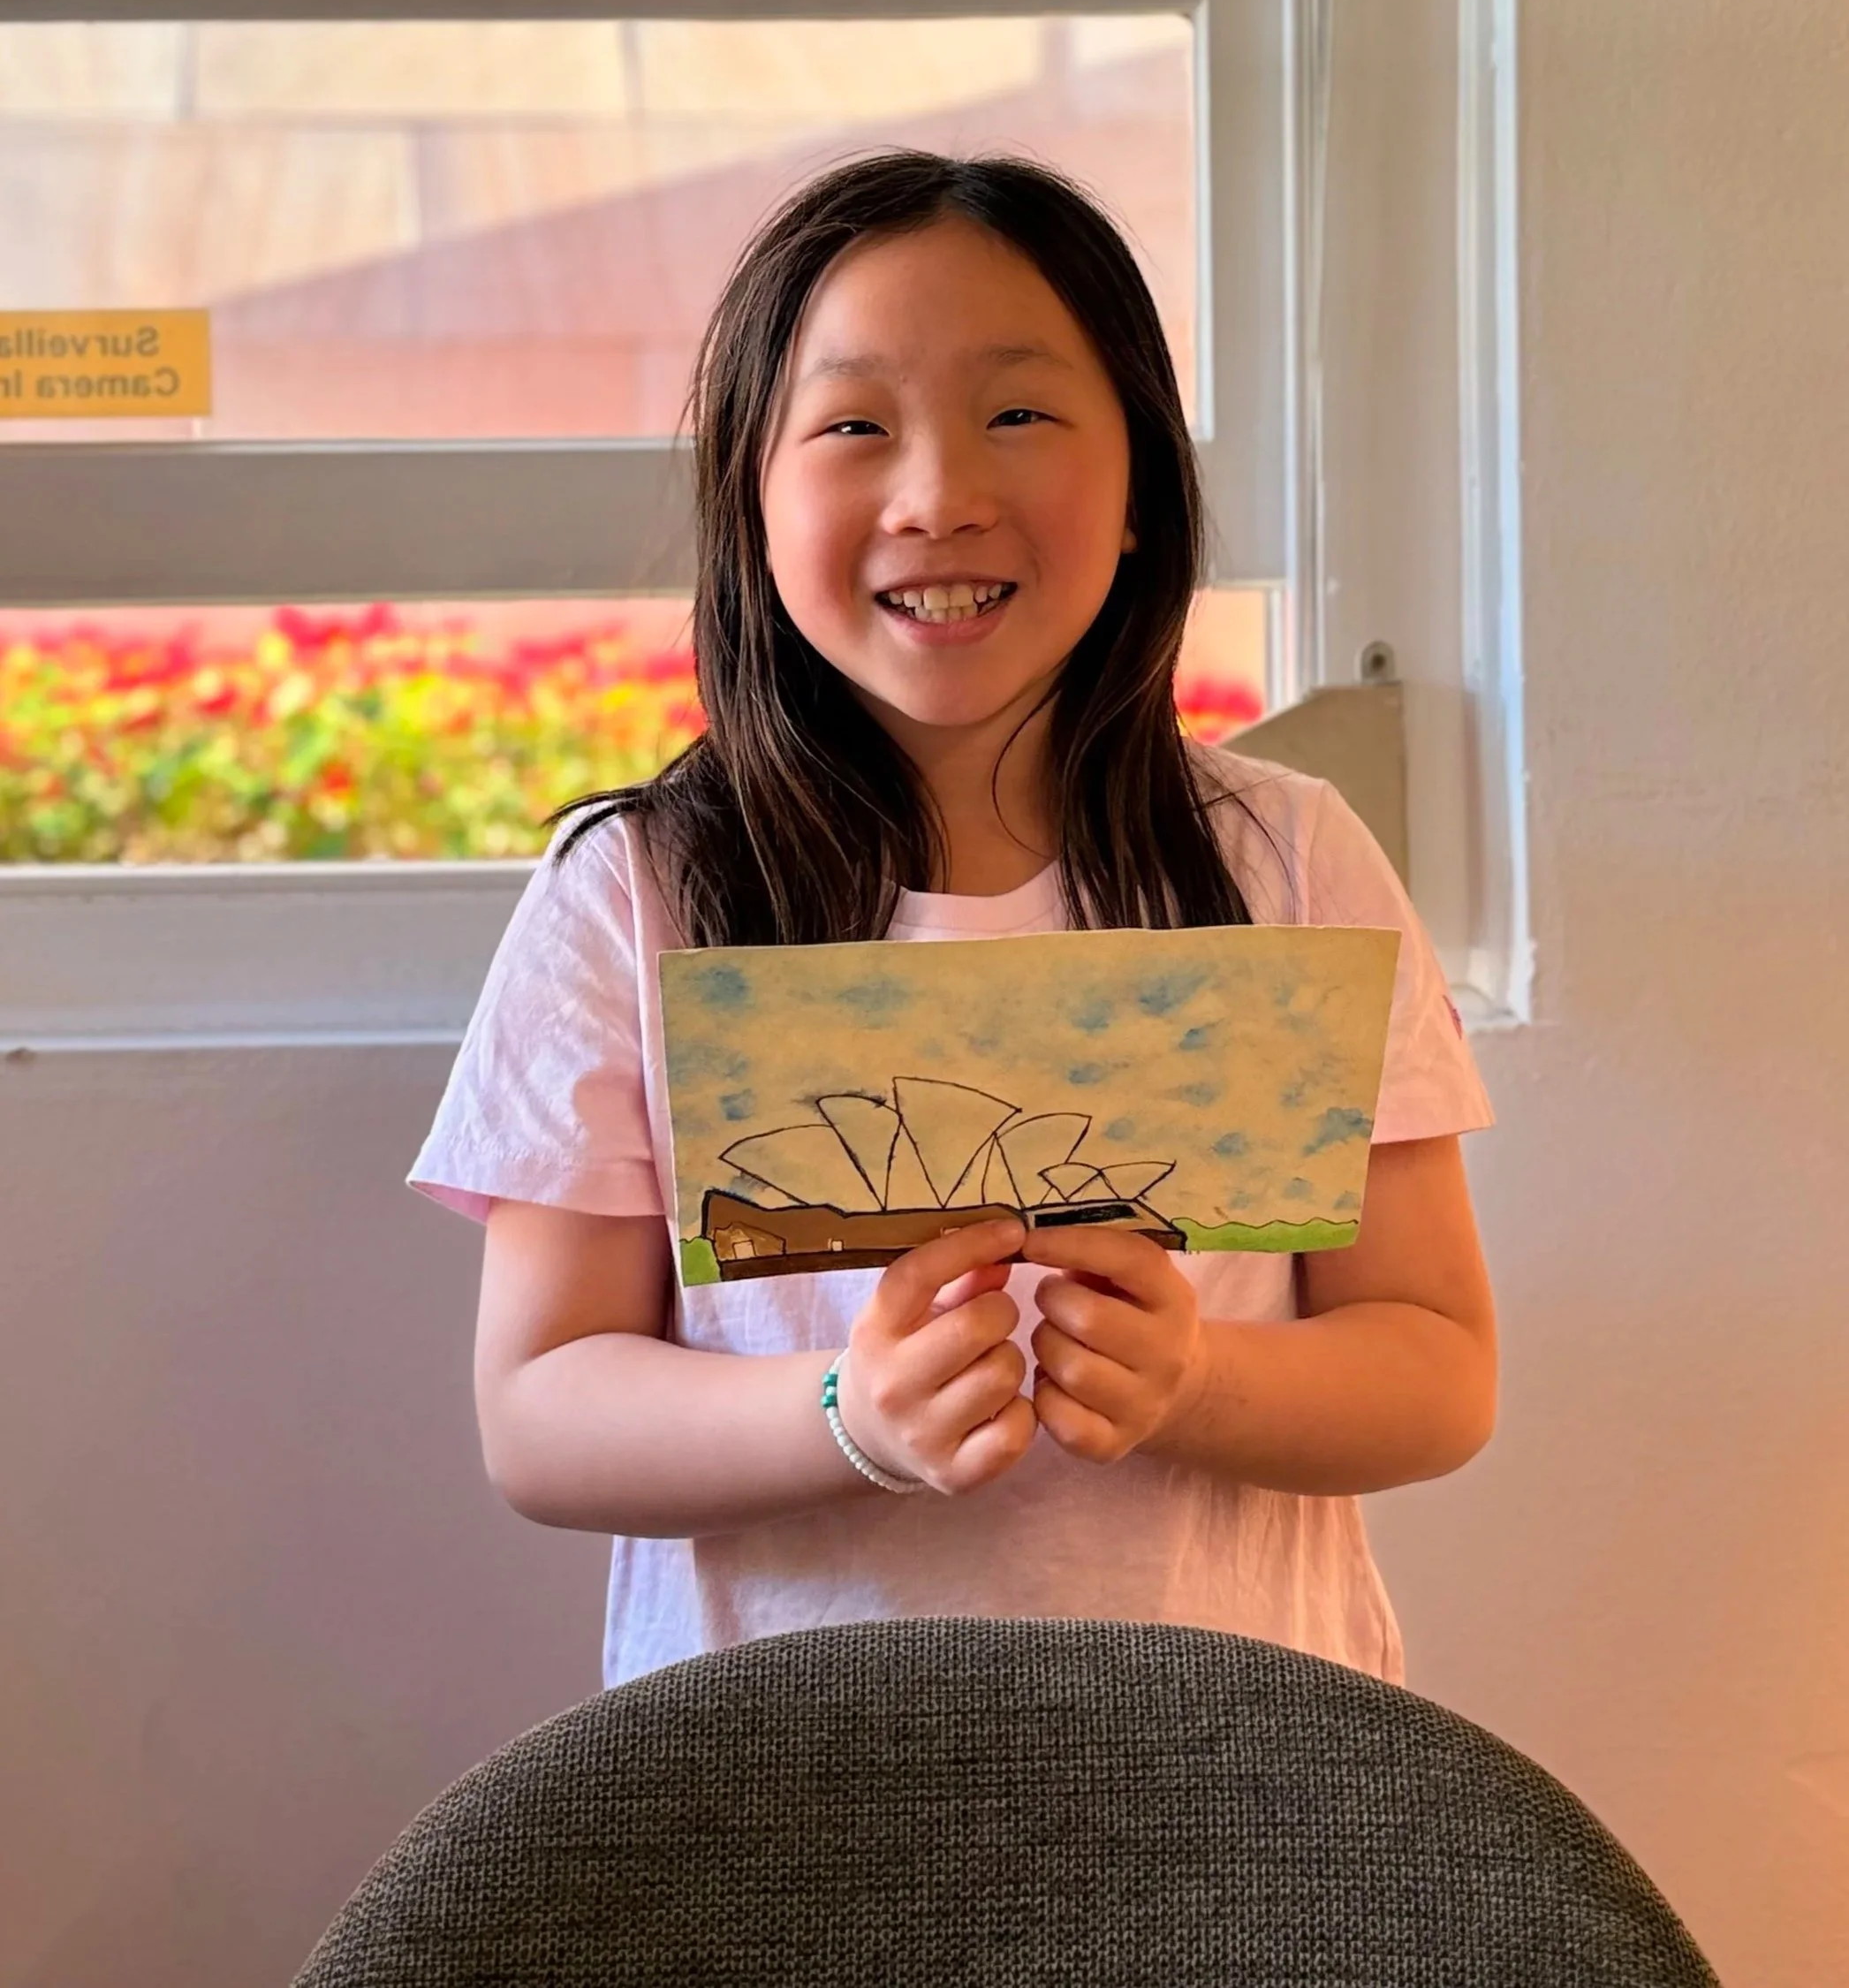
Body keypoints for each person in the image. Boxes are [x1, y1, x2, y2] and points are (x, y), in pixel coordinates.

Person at [408, 149, 1497, 1691]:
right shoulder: (640, 891)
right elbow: (541, 1408)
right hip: (780, 1798)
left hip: (1244, 1789)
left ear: (1137, 490)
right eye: (854, 425)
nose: (940, 497)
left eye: (1021, 414)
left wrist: (1195, 1378)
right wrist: (848, 1414)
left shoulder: (1285, 859)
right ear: (754, 497)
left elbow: (1436, 1366)